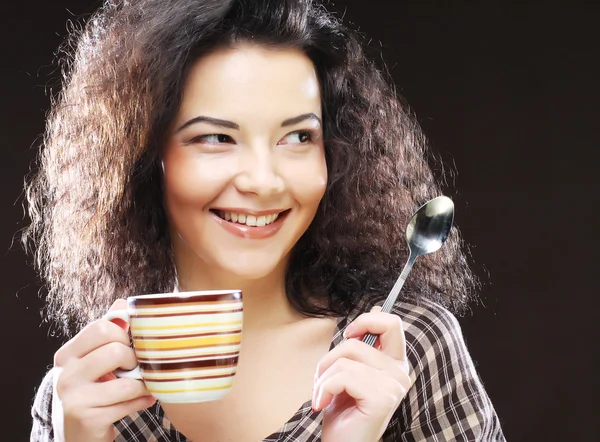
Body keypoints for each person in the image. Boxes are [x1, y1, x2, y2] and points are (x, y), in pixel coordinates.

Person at [25, 0, 505, 440]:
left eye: (297, 136)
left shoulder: (404, 352)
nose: (264, 180)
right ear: (143, 158)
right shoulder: (83, 397)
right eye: (215, 138)